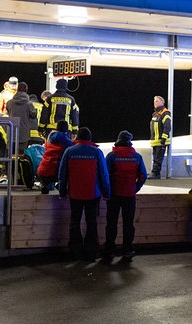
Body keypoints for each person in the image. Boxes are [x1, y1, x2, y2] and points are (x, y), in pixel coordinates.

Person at [58, 127, 110, 262]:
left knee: (75, 222)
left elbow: (62, 174)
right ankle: (91, 252)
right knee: (91, 222)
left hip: (75, 193)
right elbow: (104, 174)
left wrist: (62, 191)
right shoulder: (97, 152)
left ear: (77, 138)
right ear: (90, 138)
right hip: (93, 194)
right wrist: (106, 192)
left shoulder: (69, 151)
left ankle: (76, 252)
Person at [102, 130, 147, 264]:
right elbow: (143, 175)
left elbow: (105, 176)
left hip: (114, 195)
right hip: (129, 195)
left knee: (111, 224)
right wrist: (135, 188)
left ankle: (109, 250)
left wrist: (107, 191)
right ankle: (127, 249)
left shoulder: (111, 156)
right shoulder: (137, 157)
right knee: (128, 224)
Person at [37, 120, 73, 194]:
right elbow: (72, 148)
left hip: (42, 170)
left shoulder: (50, 137)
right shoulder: (65, 140)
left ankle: (44, 185)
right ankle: (61, 186)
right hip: (55, 171)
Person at [6, 81, 38, 154]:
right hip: (24, 135)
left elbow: (8, 113)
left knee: (10, 156)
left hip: (11, 134)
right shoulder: (29, 104)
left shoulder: (9, 103)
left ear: (17, 89)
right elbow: (33, 115)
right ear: (26, 90)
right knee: (21, 156)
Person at [149, 95, 171, 179]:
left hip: (161, 141)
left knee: (158, 159)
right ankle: (155, 174)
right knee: (155, 158)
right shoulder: (155, 114)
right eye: (154, 101)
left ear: (162, 102)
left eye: (157, 101)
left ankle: (155, 173)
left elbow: (167, 127)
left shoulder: (165, 113)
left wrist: (163, 139)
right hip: (155, 141)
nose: (155, 103)